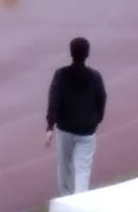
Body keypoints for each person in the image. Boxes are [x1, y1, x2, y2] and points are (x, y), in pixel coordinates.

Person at [45, 37, 107, 196]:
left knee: (64, 166)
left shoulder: (61, 75)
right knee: (83, 169)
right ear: (87, 54)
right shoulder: (95, 76)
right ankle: (79, 203)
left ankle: (66, 199)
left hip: (65, 128)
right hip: (87, 130)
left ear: (70, 53)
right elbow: (101, 98)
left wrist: (50, 126)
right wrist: (97, 119)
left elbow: (54, 99)